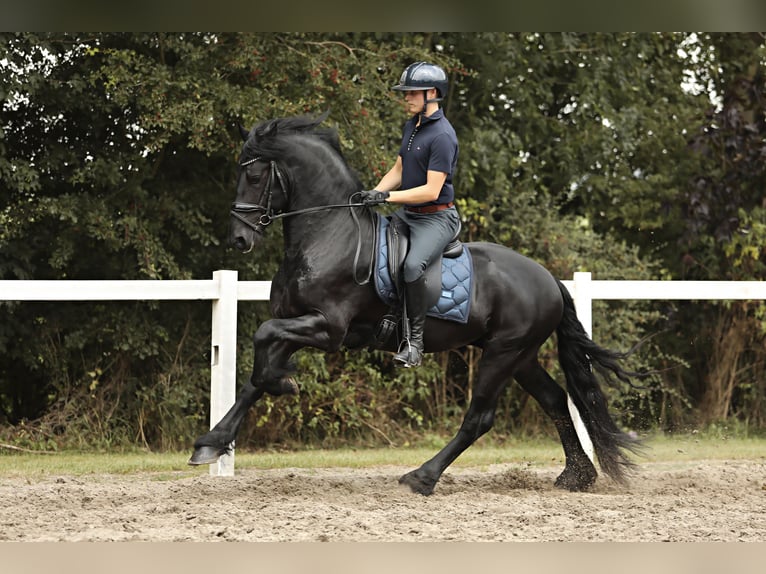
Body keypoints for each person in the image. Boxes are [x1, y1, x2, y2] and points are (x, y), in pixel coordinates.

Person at [360, 61, 461, 368]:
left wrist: (388, 196)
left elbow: (431, 190)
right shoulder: (413, 125)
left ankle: (414, 343)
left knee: (412, 266)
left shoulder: (443, 136)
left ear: (432, 93)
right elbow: (400, 168)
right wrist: (374, 193)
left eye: (412, 93)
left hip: (436, 217)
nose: (406, 98)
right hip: (410, 214)